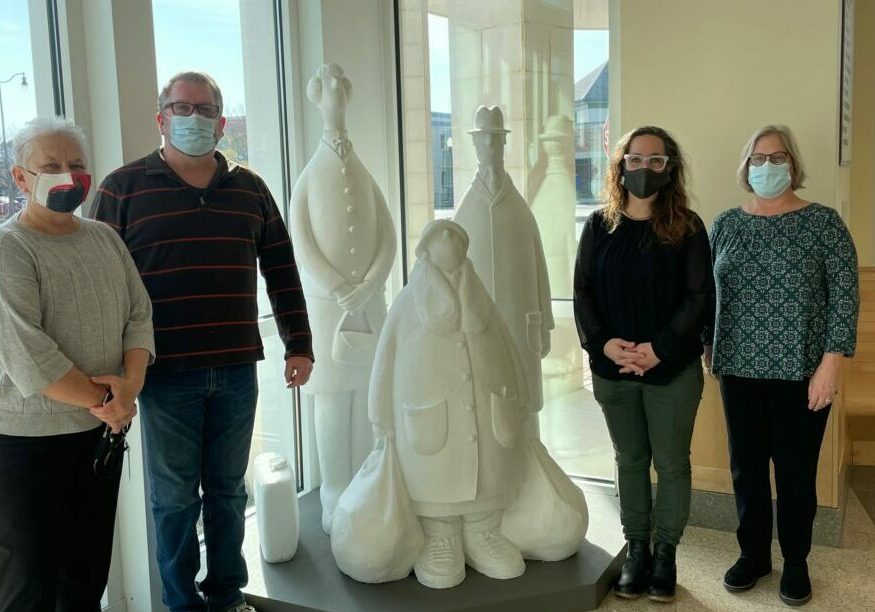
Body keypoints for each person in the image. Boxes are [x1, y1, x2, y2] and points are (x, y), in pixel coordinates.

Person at [90, 71, 314, 612]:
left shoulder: (250, 188)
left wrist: (298, 343)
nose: (195, 117)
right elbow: (101, 286)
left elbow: (281, 269)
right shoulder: (121, 189)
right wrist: (110, 380)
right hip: (163, 374)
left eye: (206, 108)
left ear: (220, 119)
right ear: (161, 117)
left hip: (236, 367)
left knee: (228, 492)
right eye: (182, 107)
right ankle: (180, 604)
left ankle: (227, 595)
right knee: (171, 500)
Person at [0, 117, 154, 611]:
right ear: (20, 178)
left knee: (86, 574)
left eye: (77, 165)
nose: (68, 175)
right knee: (30, 582)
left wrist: (129, 387)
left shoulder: (105, 239)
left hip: (100, 435)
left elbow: (139, 314)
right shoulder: (10, 249)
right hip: (28, 447)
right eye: (51, 166)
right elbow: (30, 354)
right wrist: (111, 401)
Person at [705, 125, 859, 606]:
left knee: (795, 473)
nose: (767, 166)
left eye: (777, 157)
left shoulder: (824, 223)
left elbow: (845, 297)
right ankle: (754, 555)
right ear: (746, 166)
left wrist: (831, 365)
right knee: (746, 470)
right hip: (738, 371)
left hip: (803, 373)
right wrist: (706, 347)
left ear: (793, 164)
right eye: (758, 158)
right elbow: (706, 292)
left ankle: (795, 561)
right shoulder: (726, 224)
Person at [574, 126, 712, 603]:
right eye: (636, 160)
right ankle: (636, 551)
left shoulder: (689, 227)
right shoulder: (598, 225)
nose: (645, 169)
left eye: (656, 161)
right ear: (621, 165)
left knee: (671, 464)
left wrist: (660, 349)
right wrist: (603, 344)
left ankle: (665, 554)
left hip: (671, 370)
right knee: (629, 460)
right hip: (612, 372)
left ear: (670, 168)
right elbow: (583, 292)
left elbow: (698, 298)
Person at [454, 106, 554, 431]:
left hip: (520, 322)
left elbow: (538, 265)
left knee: (524, 404)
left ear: (503, 145)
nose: (490, 148)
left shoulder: (519, 207)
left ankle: (532, 468)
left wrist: (545, 323)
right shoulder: (466, 209)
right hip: (479, 326)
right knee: (484, 401)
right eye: (484, 141)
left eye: (496, 141)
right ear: (475, 145)